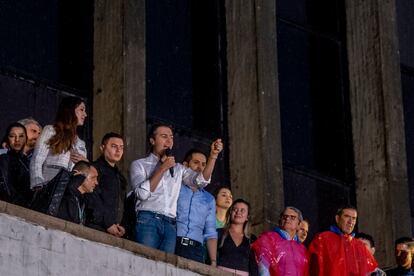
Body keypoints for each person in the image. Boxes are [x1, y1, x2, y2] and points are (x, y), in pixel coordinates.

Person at [130, 123, 223, 253]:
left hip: (170, 224)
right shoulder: (140, 164)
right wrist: (162, 168)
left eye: (171, 137)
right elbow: (142, 194)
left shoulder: (179, 169)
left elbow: (200, 181)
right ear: (152, 140)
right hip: (148, 220)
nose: (169, 141)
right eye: (164, 136)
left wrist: (213, 156)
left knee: (166, 268)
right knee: (145, 260)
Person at [30, 96, 88, 190]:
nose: (85, 114)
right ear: (70, 110)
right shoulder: (51, 131)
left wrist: (85, 163)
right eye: (81, 109)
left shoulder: (81, 143)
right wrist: (38, 183)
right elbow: (37, 159)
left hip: (69, 193)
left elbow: (85, 175)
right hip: (48, 188)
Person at [308, 206, 378, 276]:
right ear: (337, 218)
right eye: (347, 216)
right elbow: (313, 269)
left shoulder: (359, 245)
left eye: (354, 218)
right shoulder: (323, 238)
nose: (351, 222)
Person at [175, 149, 217, 264]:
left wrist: (213, 261)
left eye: (204, 164)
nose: (200, 167)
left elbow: (210, 232)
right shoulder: (175, 188)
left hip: (196, 250)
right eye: (196, 162)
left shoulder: (209, 199)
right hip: (173, 242)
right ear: (185, 165)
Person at [86, 132, 127, 237]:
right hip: (95, 227)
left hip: (115, 229)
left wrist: (122, 226)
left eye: (121, 147)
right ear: (102, 148)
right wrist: (108, 223)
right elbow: (92, 197)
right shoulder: (94, 169)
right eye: (114, 146)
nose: (118, 150)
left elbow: (121, 204)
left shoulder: (120, 176)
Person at [252, 206, 309, 276]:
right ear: (280, 221)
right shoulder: (269, 238)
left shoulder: (302, 249)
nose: (287, 219)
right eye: (284, 216)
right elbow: (263, 268)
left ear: (299, 224)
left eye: (292, 217)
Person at [217, 199, 258, 276]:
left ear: (247, 217)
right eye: (235, 209)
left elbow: (253, 264)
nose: (238, 212)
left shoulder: (252, 239)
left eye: (242, 210)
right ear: (230, 213)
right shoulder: (220, 233)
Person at [0, 122, 33, 206]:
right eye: (12, 136)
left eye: (21, 136)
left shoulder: (29, 163)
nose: (17, 140)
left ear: (26, 138)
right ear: (7, 139)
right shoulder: (4, 158)